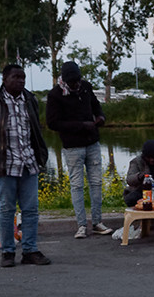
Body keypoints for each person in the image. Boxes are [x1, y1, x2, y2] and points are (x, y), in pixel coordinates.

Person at [0, 64, 50, 267]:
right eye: (16, 77)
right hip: (4, 165)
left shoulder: (30, 99)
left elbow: (35, 130)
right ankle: (7, 252)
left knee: (31, 210)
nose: (21, 81)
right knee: (7, 210)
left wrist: (40, 155)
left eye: (23, 77)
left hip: (28, 163)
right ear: (5, 79)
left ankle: (30, 250)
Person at [44, 60, 112, 238]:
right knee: (77, 185)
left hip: (92, 143)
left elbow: (96, 106)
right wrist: (81, 125)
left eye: (78, 80)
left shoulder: (86, 87)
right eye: (73, 82)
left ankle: (97, 222)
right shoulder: (55, 95)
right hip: (73, 146)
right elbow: (52, 123)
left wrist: (101, 117)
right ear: (64, 80)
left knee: (96, 182)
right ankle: (81, 225)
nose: (76, 84)